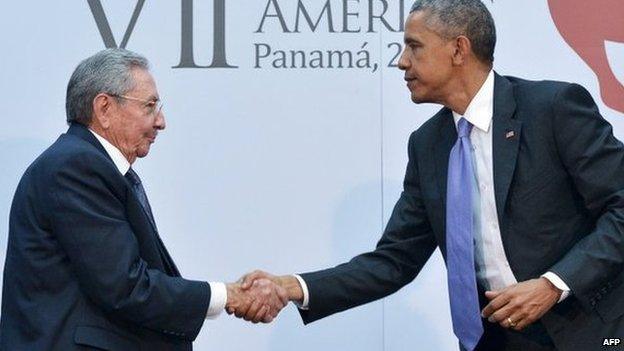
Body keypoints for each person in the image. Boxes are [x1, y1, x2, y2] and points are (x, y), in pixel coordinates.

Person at [236, 1, 624, 350]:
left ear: (458, 49)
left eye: (414, 46)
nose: (402, 61)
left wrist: (553, 285)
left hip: (592, 330)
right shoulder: (428, 145)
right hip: (499, 341)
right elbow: (393, 261)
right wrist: (291, 287)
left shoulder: (552, 108)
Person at [0, 49, 287, 351]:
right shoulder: (76, 167)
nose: (161, 121)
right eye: (150, 106)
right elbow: (124, 286)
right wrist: (228, 296)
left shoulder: (92, 166)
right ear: (105, 108)